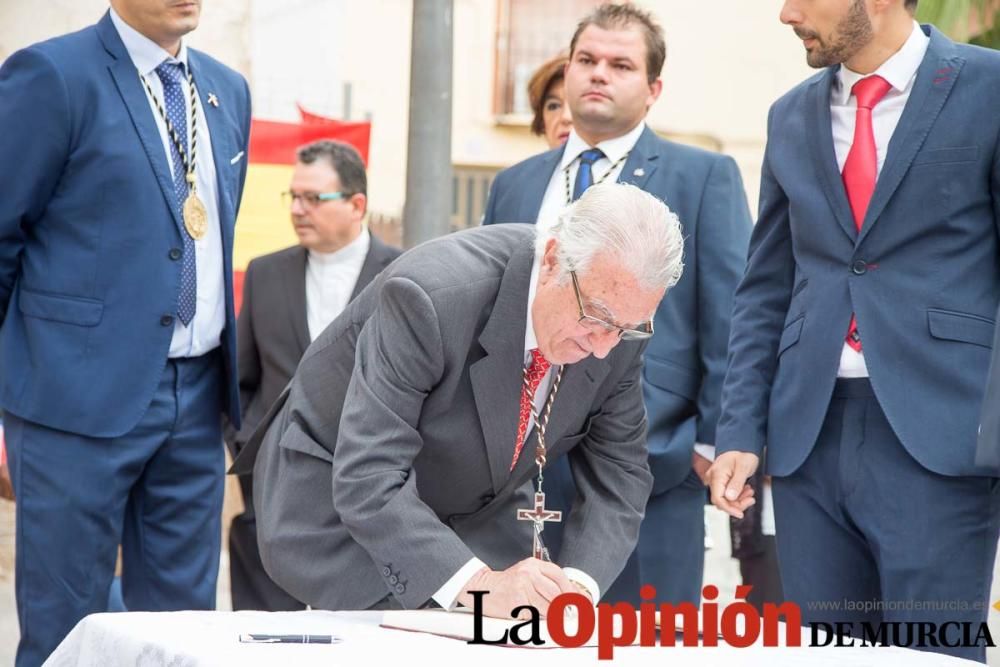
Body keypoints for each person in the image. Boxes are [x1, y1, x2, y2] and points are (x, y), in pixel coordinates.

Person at [233, 183, 684, 618]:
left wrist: (577, 587)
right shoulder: (429, 296)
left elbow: (620, 473)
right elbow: (369, 472)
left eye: (626, 328)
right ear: (551, 261)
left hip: (467, 509)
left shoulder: (620, 326)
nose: (603, 347)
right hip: (336, 504)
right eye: (596, 318)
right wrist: (480, 586)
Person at [709, 0, 1000, 661]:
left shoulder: (991, 89)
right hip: (809, 439)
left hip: (943, 441)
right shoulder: (789, 116)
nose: (787, 13)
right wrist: (739, 431)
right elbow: (765, 289)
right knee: (825, 653)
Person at [0, 1, 251, 663]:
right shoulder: (52, 76)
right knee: (66, 635)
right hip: (71, 402)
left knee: (182, 636)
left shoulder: (229, 90)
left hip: (197, 400)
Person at [482, 2, 752, 606]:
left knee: (642, 645)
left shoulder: (704, 177)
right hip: (519, 484)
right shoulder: (514, 184)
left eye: (620, 64)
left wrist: (713, 442)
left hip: (649, 471)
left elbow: (731, 320)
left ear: (653, 88)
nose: (599, 73)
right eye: (587, 60)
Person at [225, 140, 401, 611]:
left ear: (356, 204)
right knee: (262, 640)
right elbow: (242, 376)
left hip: (365, 485)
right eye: (293, 197)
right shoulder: (265, 273)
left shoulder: (403, 275)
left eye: (313, 198)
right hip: (273, 490)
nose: (298, 209)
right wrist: (248, 445)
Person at [527, 53, 572, 149]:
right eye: (554, 106)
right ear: (542, 121)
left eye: (577, 105)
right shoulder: (528, 164)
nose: (566, 117)